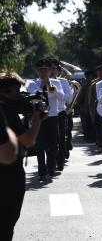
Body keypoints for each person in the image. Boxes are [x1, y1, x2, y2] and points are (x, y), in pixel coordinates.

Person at [0, 71, 43, 240]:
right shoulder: (5, 112)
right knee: (6, 223)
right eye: (16, 92)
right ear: (5, 92)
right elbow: (27, 141)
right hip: (8, 175)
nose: (19, 96)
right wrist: (38, 119)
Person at [27, 59, 65, 180]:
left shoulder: (56, 83)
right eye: (41, 70)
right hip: (39, 119)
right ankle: (42, 172)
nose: (44, 72)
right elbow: (33, 98)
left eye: (46, 70)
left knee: (54, 145)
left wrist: (49, 85)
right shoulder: (32, 83)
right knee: (40, 145)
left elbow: (61, 97)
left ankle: (51, 165)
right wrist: (42, 85)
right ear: (38, 71)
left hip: (53, 117)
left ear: (50, 71)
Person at [49, 59, 74, 162]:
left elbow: (69, 98)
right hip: (48, 114)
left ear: (58, 70)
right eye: (49, 69)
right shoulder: (40, 82)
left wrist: (55, 91)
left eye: (54, 69)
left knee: (61, 136)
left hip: (60, 112)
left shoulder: (63, 82)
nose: (51, 71)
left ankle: (60, 157)